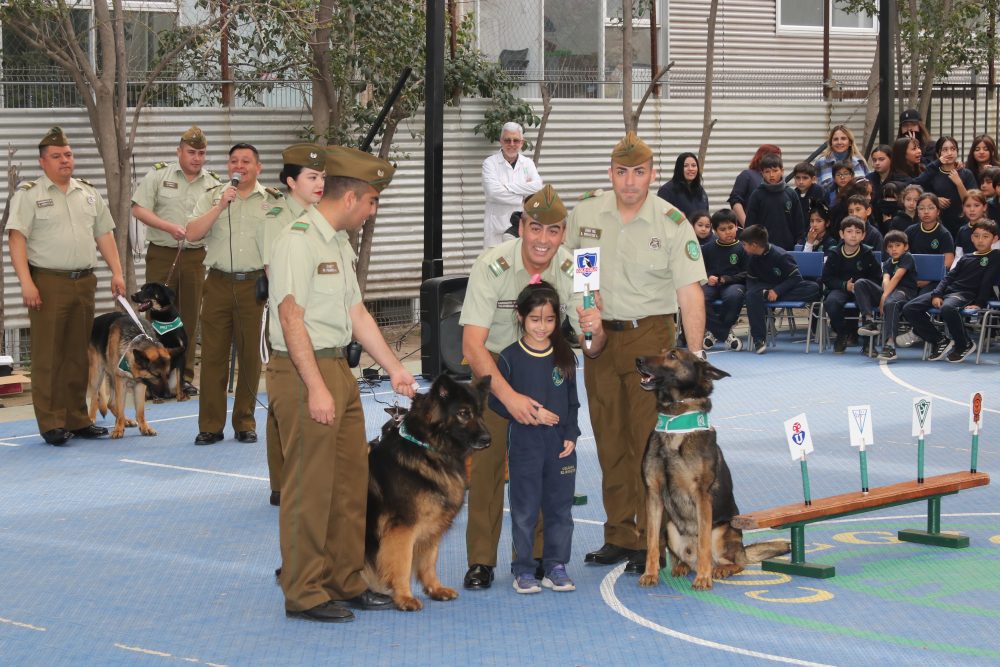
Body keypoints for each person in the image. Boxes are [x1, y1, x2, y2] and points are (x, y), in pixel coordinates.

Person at [268, 145, 416, 623]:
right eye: (372, 201)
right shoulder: (297, 239)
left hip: (339, 370)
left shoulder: (337, 242)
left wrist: (394, 366)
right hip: (302, 370)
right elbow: (291, 318)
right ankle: (305, 591)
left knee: (351, 484)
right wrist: (314, 387)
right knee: (310, 488)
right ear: (352, 198)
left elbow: (356, 314)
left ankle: (344, 580)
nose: (373, 211)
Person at [566, 132, 706, 574]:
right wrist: (586, 323)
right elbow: (577, 271)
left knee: (649, 442)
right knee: (609, 438)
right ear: (611, 174)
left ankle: (652, 539)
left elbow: (690, 294)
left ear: (652, 175)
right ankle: (619, 535)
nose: (629, 182)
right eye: (622, 172)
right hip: (601, 339)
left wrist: (696, 358)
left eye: (639, 172)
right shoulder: (587, 213)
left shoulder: (671, 221)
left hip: (653, 339)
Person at [460, 184, 602, 590]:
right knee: (487, 472)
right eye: (536, 228)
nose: (544, 240)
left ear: (564, 233)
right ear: (522, 226)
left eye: (554, 231)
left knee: (545, 468)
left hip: (547, 380)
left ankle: (539, 557)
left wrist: (594, 330)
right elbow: (472, 344)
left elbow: (592, 345)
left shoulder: (580, 269)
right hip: (494, 379)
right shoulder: (491, 265)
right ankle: (481, 561)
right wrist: (509, 397)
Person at [7, 126, 126, 446]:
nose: (65, 160)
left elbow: (104, 234)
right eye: (57, 156)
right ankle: (51, 422)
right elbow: (16, 239)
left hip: (83, 282)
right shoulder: (30, 195)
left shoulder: (88, 192)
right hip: (48, 282)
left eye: (68, 155)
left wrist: (117, 271)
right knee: (48, 356)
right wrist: (26, 282)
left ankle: (76, 417)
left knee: (77, 354)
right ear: (43, 161)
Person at [186, 143, 287, 445]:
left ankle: (245, 421)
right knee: (214, 357)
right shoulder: (212, 196)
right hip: (217, 283)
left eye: (246, 161)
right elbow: (191, 234)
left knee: (250, 356)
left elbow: (284, 245)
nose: (238, 166)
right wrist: (220, 207)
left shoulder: (274, 202)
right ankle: (210, 426)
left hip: (254, 285)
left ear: (258, 168)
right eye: (233, 161)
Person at [488, 280, 581, 594]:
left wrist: (571, 435)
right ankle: (523, 569)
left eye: (550, 319)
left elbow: (572, 401)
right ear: (520, 317)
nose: (543, 327)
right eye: (535, 319)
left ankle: (555, 565)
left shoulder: (565, 355)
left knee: (560, 509)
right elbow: (495, 400)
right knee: (525, 509)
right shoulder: (509, 358)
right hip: (526, 446)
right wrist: (530, 414)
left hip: (560, 448)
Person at [131, 126, 222, 396]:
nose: (197, 158)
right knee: (156, 319)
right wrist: (168, 226)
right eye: (191, 152)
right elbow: (138, 209)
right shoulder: (160, 175)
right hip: (163, 252)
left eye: (202, 153)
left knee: (188, 319)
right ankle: (152, 377)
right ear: (179, 151)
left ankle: (182, 377)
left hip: (195, 256)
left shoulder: (213, 183)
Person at [263, 143, 327, 507]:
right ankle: (281, 479)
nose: (320, 184)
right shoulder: (275, 215)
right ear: (291, 181)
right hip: (291, 319)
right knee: (283, 403)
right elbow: (278, 275)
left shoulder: (324, 217)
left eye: (322, 177)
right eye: (312, 177)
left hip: (319, 322)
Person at [902, 220, 1000, 363]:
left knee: (947, 308)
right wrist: (937, 293)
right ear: (971, 238)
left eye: (985, 236)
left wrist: (979, 303)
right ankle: (940, 340)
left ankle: (964, 344)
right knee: (909, 308)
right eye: (977, 236)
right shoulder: (966, 257)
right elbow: (948, 278)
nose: (980, 240)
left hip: (965, 294)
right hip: (947, 292)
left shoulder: (995, 256)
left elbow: (987, 281)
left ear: (995, 239)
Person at [741, 224, 821, 355]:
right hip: (764, 286)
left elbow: (796, 278)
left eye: (744, 244)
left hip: (785, 287)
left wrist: (777, 291)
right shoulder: (750, 257)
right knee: (751, 294)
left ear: (754, 245)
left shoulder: (780, 255)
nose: (743, 247)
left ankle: (765, 295)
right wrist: (761, 291)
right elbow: (751, 280)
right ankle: (759, 339)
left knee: (813, 288)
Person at [853, 230, 918, 362]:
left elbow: (897, 278)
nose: (893, 249)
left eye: (897, 245)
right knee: (860, 283)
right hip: (889, 292)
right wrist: (884, 295)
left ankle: (890, 345)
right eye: (890, 246)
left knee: (890, 302)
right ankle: (869, 320)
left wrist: (884, 298)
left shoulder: (907, 257)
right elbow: (886, 281)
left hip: (904, 292)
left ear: (905, 247)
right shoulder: (888, 262)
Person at [821, 217, 881, 354]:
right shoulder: (834, 253)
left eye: (858, 232)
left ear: (863, 235)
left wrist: (863, 286)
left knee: (865, 300)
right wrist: (844, 285)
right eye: (849, 231)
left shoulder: (867, 253)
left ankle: (868, 344)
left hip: (862, 291)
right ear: (842, 234)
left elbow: (877, 277)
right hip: (841, 289)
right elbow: (826, 278)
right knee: (831, 302)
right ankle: (842, 334)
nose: (853, 235)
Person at [482, 122, 542, 248]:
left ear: (522, 142)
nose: (512, 144)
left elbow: (537, 186)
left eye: (516, 140)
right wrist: (522, 198)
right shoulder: (490, 163)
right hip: (496, 229)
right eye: (507, 140)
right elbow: (494, 193)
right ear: (501, 141)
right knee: (496, 265)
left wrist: (507, 187)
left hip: (520, 227)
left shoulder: (527, 163)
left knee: (518, 264)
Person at [913, 136, 978, 238]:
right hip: (938, 224)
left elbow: (972, 202)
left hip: (962, 223)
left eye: (953, 149)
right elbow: (916, 187)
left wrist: (959, 183)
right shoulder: (933, 173)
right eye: (945, 149)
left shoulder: (966, 173)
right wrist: (935, 200)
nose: (949, 153)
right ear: (938, 153)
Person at [701, 209, 746, 351]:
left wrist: (727, 279)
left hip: (734, 284)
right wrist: (708, 277)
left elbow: (748, 273)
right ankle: (724, 333)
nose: (728, 232)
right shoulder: (708, 248)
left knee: (734, 296)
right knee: (699, 298)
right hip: (712, 284)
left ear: (737, 226)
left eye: (731, 227)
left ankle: (714, 334)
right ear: (714, 231)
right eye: (723, 229)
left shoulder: (743, 248)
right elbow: (699, 269)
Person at [744, 153, 803, 250]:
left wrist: (799, 244)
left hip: (787, 249)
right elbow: (750, 226)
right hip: (763, 249)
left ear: (782, 171)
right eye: (767, 171)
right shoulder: (756, 195)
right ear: (762, 173)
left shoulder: (791, 194)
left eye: (775, 171)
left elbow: (799, 225)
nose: (771, 175)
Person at [905, 192, 955, 292]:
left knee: (917, 303)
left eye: (931, 208)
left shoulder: (944, 234)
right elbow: (901, 254)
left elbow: (948, 261)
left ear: (938, 212)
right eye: (921, 208)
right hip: (911, 278)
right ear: (917, 212)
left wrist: (930, 278)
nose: (926, 212)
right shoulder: (910, 231)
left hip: (934, 281)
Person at [727, 144, 781, 226]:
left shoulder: (779, 180)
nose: (774, 161)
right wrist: (747, 226)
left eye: (778, 158)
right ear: (760, 157)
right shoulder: (747, 175)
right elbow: (735, 201)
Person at [656, 152, 709, 219]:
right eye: (685, 166)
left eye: (693, 165)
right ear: (679, 168)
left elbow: (706, 216)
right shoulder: (667, 191)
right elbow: (662, 212)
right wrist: (680, 219)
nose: (690, 169)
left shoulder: (700, 191)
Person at [954, 190, 1000, 258]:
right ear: (963, 208)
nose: (972, 209)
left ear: (984, 207)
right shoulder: (962, 230)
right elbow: (958, 257)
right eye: (968, 206)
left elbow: (996, 255)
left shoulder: (993, 228)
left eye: (976, 205)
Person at [791, 161, 824, 235]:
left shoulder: (818, 191)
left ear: (813, 179)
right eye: (798, 178)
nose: (801, 181)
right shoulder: (793, 194)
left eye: (805, 178)